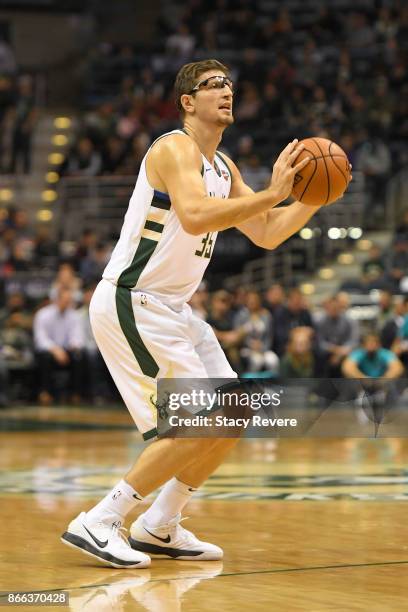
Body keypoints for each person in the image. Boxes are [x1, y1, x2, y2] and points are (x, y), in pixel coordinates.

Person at [61, 59, 341, 569]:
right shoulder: (173, 148)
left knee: (233, 411)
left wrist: (317, 197)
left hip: (175, 309)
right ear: (187, 102)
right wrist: (275, 192)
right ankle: (101, 520)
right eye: (213, 85)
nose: (226, 90)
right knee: (196, 420)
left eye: (230, 83)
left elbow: (267, 232)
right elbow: (192, 215)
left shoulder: (223, 167)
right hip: (134, 299)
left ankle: (161, 525)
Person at [33, 287, 85, 405]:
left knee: (79, 356)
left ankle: (75, 393)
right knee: (45, 357)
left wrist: (73, 346)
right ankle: (45, 392)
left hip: (66, 351)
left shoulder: (74, 315)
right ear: (57, 300)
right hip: (49, 351)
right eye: (65, 300)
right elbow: (40, 339)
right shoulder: (43, 314)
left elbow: (77, 337)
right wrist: (56, 350)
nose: (67, 303)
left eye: (69, 300)